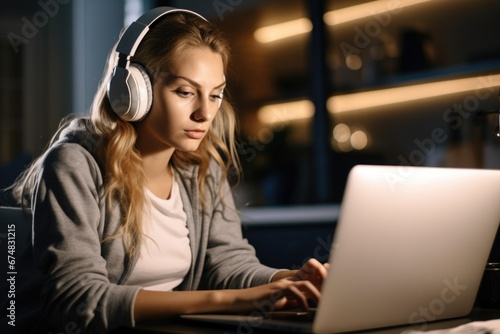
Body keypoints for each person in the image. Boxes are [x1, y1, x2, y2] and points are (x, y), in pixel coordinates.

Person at [4, 6, 328, 334]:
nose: (205, 112)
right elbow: (76, 300)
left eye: (215, 95)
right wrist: (229, 300)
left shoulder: (203, 171)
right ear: (132, 91)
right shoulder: (74, 166)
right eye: (185, 92)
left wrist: (285, 281)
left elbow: (228, 263)